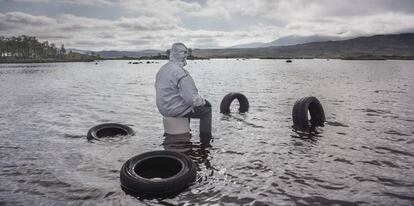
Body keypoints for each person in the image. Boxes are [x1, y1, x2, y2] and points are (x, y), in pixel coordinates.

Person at [155, 42, 212, 138]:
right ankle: (205, 141)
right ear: (184, 55)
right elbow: (192, 98)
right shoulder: (181, 73)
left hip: (163, 108)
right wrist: (204, 102)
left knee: (187, 105)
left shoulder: (163, 69)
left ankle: (186, 134)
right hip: (174, 109)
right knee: (206, 110)